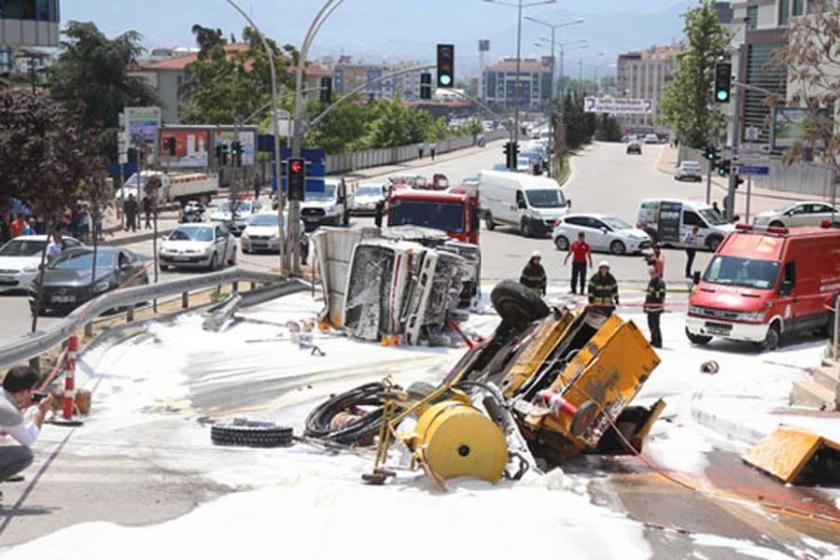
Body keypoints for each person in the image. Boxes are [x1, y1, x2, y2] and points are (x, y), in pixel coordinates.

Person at [0, 366, 55, 483]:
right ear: (24, 392)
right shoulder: (9, 412)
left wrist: (18, 408)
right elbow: (28, 440)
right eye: (31, 391)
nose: (31, 394)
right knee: (25, 455)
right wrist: (42, 412)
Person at [644, 266, 666, 349]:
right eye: (650, 273)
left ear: (657, 273)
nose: (651, 275)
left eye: (652, 273)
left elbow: (661, 295)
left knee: (655, 325)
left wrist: (654, 292)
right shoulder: (651, 281)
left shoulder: (660, 283)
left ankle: (658, 341)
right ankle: (653, 339)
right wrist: (645, 305)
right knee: (650, 324)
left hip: (656, 308)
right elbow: (648, 294)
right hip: (650, 307)